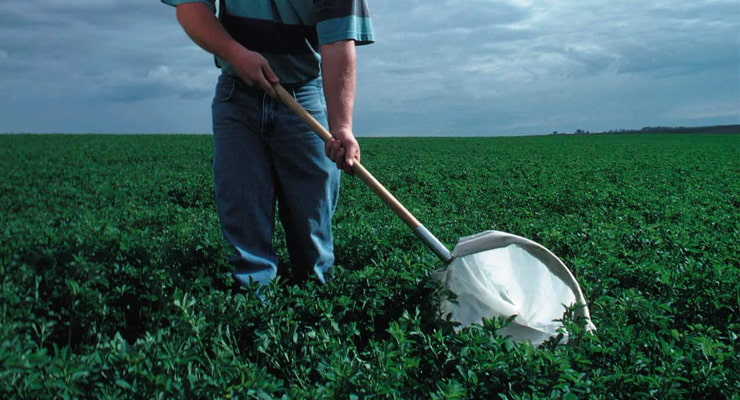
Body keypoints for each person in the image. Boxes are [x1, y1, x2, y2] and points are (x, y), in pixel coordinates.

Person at [161, 0, 374, 287]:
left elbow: (337, 40)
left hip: (302, 91)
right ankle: (253, 308)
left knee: (312, 225)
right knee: (243, 217)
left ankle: (314, 305)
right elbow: (190, 6)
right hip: (237, 92)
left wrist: (342, 127)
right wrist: (235, 54)